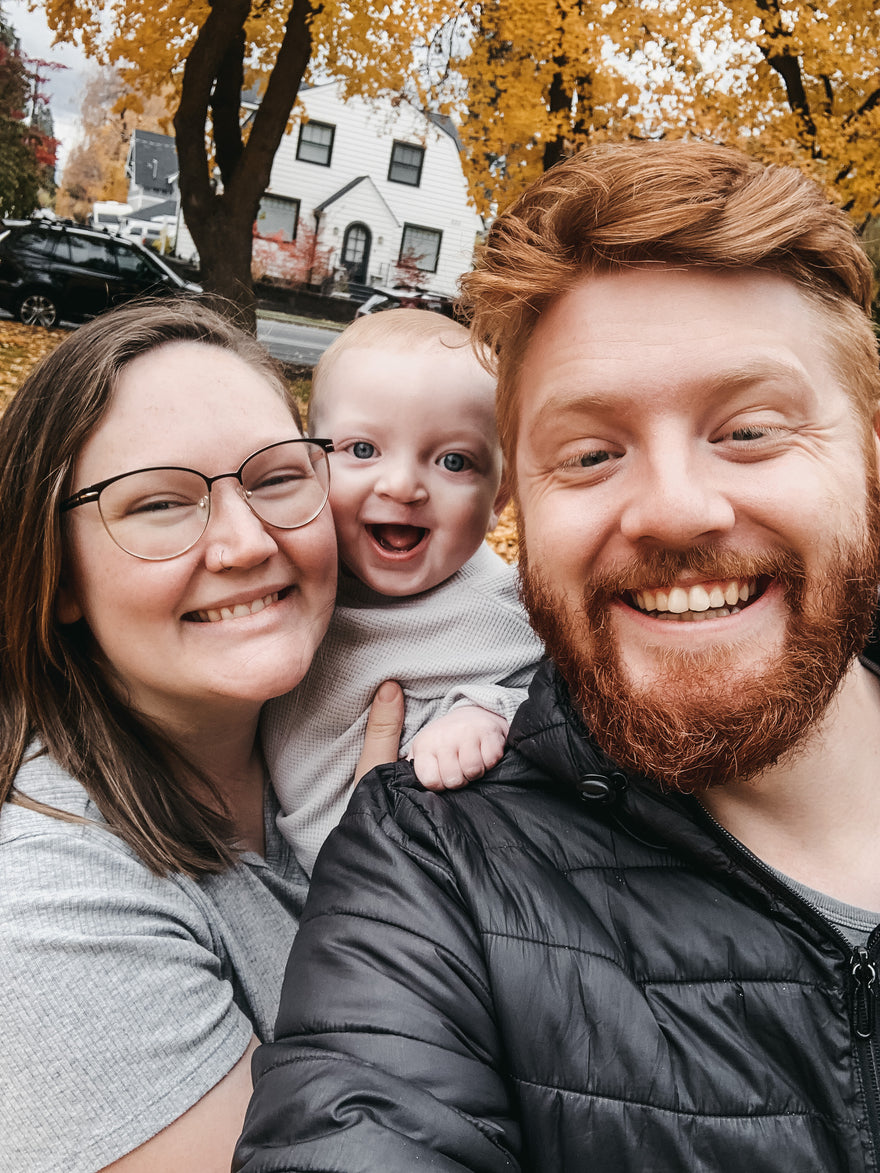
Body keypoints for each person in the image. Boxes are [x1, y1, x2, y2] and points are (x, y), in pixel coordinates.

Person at [235, 140, 880, 1171]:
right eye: (589, 453)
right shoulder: (428, 869)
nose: (674, 508)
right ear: (524, 510)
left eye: (749, 431)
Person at [0, 298, 395, 1172]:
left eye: (278, 477)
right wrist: (385, 888)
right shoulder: (48, 912)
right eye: (158, 504)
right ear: (57, 574)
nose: (245, 541)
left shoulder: (368, 720)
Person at [262, 309, 543, 873]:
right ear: (308, 464)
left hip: (422, 898)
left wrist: (488, 714)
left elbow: (569, 705)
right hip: (286, 876)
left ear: (500, 498)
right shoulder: (281, 582)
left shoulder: (511, 611)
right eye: (363, 450)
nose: (403, 486)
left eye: (453, 461)